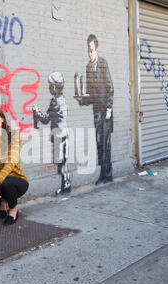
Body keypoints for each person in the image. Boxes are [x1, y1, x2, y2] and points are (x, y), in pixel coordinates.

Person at [75, 34, 114, 185]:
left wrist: (109, 108)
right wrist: (82, 99)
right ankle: (103, 175)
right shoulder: (88, 67)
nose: (89, 53)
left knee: (106, 142)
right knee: (99, 142)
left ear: (96, 50)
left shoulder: (103, 64)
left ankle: (108, 174)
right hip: (96, 112)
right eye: (88, 50)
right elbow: (91, 94)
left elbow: (110, 88)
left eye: (92, 50)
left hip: (106, 111)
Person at [32, 71, 71, 195]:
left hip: (59, 136)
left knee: (61, 162)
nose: (49, 88)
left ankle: (65, 184)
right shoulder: (63, 100)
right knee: (63, 162)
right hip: (64, 134)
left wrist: (37, 112)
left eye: (50, 85)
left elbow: (45, 119)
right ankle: (66, 183)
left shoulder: (55, 102)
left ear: (54, 87)